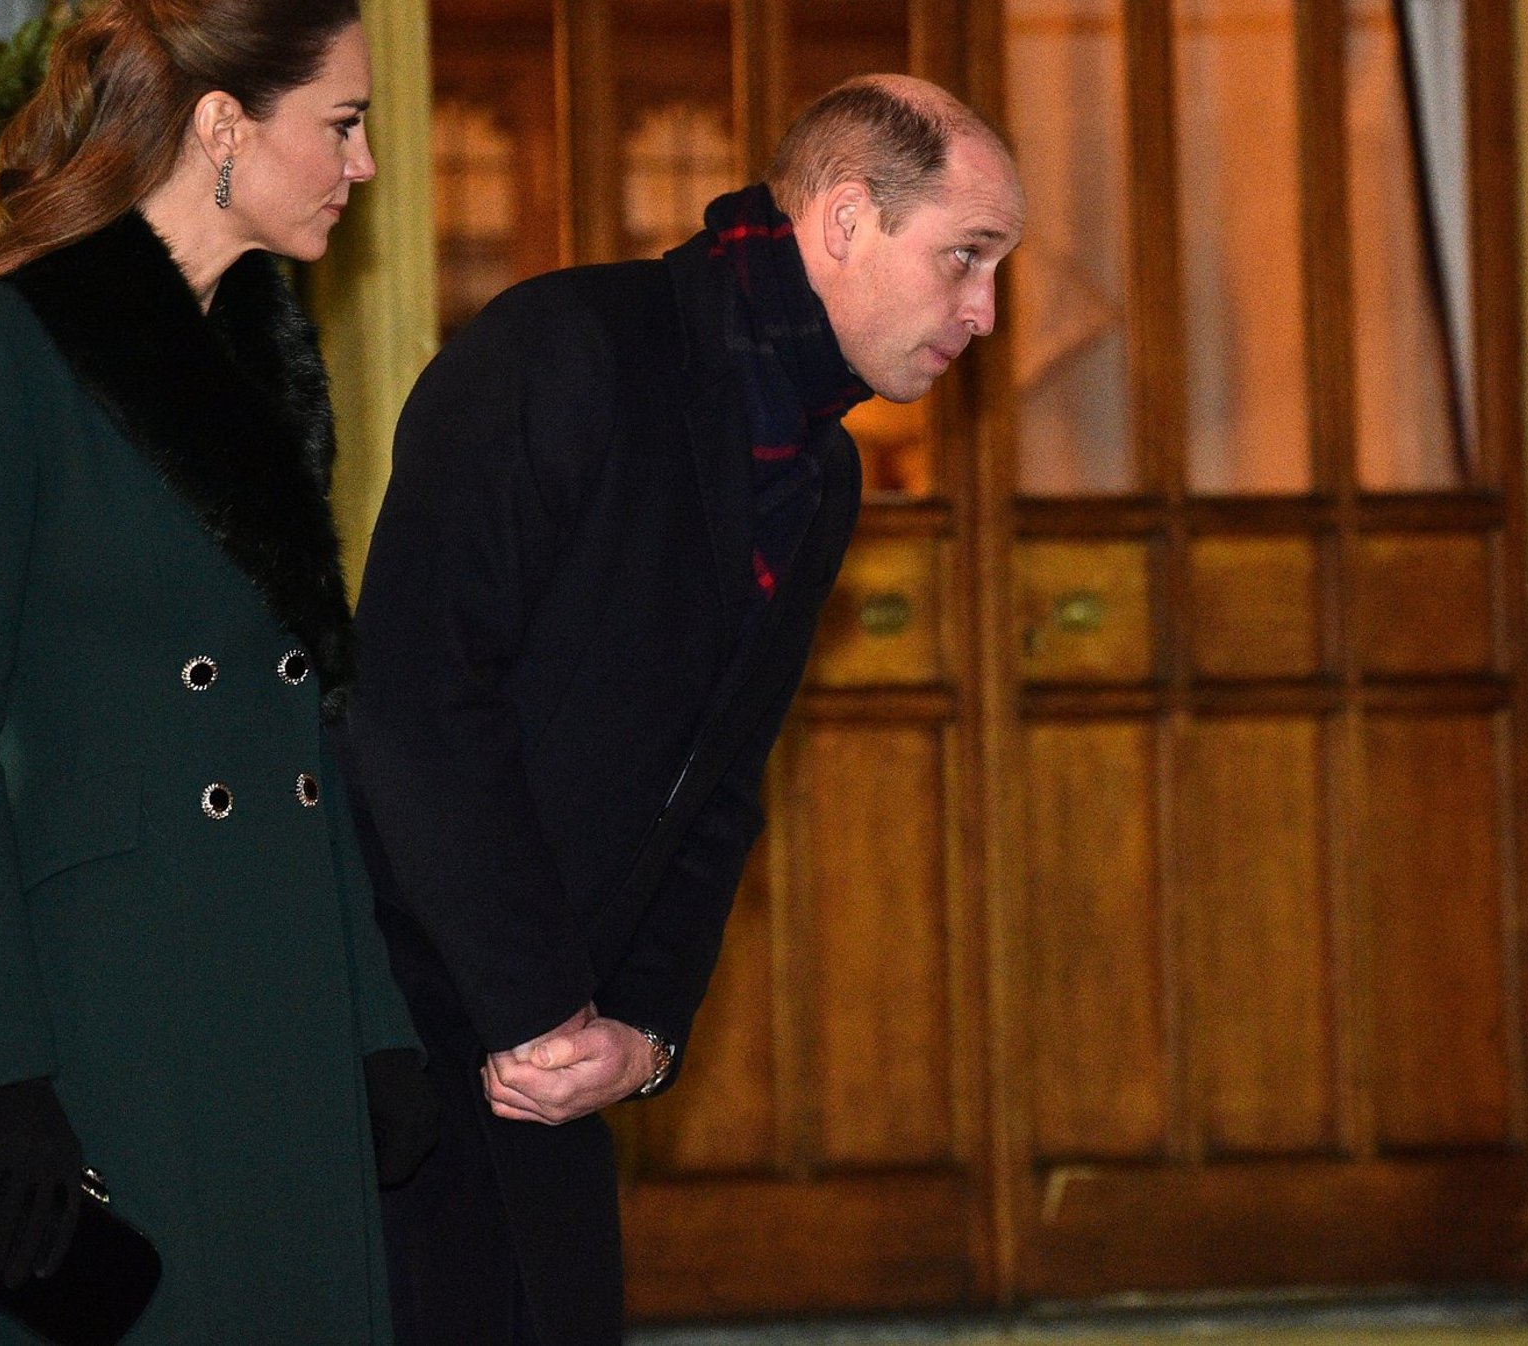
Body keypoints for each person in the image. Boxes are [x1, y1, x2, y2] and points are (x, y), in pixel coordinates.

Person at [345, 74, 1025, 1345]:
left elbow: (721, 785)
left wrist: (642, 1030)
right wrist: (539, 1006)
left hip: (555, 1055)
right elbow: (420, 706)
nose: (983, 312)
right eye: (964, 259)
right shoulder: (564, 349)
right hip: (392, 1032)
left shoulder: (820, 474)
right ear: (841, 222)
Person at [0, 0, 436, 1343]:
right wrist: (0, 1072)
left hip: (276, 991)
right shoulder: (3, 353)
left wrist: (376, 1020)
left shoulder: (267, 359)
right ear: (223, 122)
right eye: (341, 125)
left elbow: (298, 718)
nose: (363, 167)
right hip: (108, 1019)